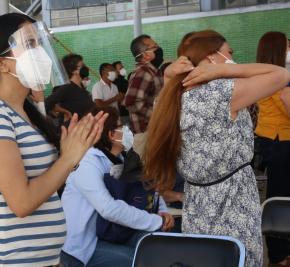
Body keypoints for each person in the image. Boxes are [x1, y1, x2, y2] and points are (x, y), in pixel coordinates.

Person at [0, 13, 107, 266]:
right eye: (29, 44)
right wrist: (68, 158)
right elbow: (21, 203)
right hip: (10, 260)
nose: (39, 51)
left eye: (39, 42)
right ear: (1, 64)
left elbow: (46, 188)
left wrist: (72, 156)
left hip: (41, 259)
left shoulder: (24, 110)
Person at [143, 30, 290, 267]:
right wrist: (223, 70)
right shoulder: (220, 93)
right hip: (233, 201)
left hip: (197, 203)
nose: (233, 58)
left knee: (204, 259)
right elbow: (281, 74)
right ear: (212, 57)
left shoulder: (172, 96)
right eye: (229, 53)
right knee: (239, 259)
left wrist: (172, 74)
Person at [61, 107, 173, 267]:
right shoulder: (86, 163)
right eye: (122, 126)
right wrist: (155, 221)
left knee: (159, 247)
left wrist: (162, 211)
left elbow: (148, 187)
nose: (127, 130)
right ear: (111, 135)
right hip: (84, 247)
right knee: (141, 261)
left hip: (114, 233)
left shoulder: (121, 158)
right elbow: (109, 209)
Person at [255, 31, 290, 267]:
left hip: (270, 139)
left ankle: (279, 252)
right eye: (287, 46)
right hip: (281, 141)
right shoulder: (278, 77)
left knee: (278, 193)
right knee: (281, 196)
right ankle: (279, 255)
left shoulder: (262, 73)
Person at [124, 34, 164, 157]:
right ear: (145, 54)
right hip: (146, 133)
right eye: (155, 47)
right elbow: (132, 102)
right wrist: (159, 114)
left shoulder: (153, 71)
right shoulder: (143, 73)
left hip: (152, 132)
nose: (159, 49)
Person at [46, 54, 96, 121]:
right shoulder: (67, 87)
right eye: (83, 66)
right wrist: (64, 111)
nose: (86, 68)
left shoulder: (81, 87)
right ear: (73, 71)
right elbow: (47, 103)